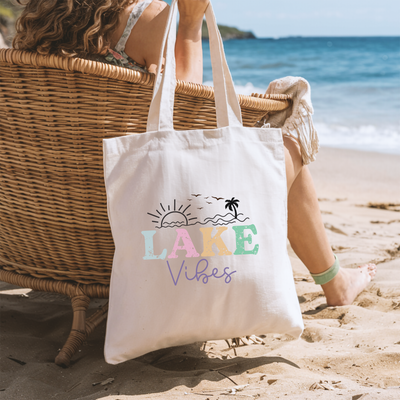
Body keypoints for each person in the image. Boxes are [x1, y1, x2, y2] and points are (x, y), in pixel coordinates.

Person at [12, 0, 376, 306]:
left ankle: (337, 281)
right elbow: (188, 118)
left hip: (53, 237)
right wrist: (188, 23)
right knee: (284, 126)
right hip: (150, 233)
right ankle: (335, 283)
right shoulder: (144, 19)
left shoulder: (37, 27)